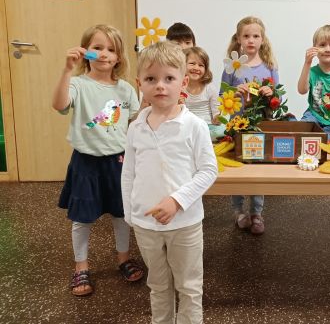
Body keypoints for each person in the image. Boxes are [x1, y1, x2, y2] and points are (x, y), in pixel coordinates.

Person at [121, 41, 217, 324]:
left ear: (183, 82)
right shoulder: (136, 126)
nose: (160, 86)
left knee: (188, 287)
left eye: (169, 79)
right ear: (140, 84)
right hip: (145, 224)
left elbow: (208, 170)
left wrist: (177, 200)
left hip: (185, 223)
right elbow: (129, 173)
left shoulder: (194, 126)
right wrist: (131, 214)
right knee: (158, 285)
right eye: (151, 79)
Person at [52, 24, 144, 297]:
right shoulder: (78, 84)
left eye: (111, 49)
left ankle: (123, 258)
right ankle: (81, 266)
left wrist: (149, 99)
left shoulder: (126, 90)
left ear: (119, 57)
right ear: (86, 51)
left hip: (118, 162)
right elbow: (58, 104)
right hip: (86, 163)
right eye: (97, 47)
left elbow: (135, 121)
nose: (104, 54)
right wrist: (67, 70)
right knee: (83, 218)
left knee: (121, 214)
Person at [221, 16, 279, 235]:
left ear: (262, 39)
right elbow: (222, 95)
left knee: (258, 170)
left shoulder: (270, 66)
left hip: (261, 124)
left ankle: (257, 212)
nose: (251, 40)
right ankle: (238, 211)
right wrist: (235, 92)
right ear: (238, 39)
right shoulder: (231, 66)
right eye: (246, 36)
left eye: (256, 36)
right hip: (238, 125)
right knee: (238, 169)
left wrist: (270, 93)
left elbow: (277, 99)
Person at [297, 24, 330, 140]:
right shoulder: (311, 71)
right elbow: (301, 90)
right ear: (315, 48)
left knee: (324, 144)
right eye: (322, 45)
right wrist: (307, 63)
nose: (327, 49)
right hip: (312, 115)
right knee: (299, 133)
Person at [183, 46, 224, 140]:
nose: (196, 67)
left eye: (201, 65)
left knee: (223, 131)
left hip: (208, 126)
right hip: (188, 127)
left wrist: (217, 118)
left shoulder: (209, 88)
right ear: (182, 65)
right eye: (192, 63)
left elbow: (216, 111)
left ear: (206, 69)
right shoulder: (180, 88)